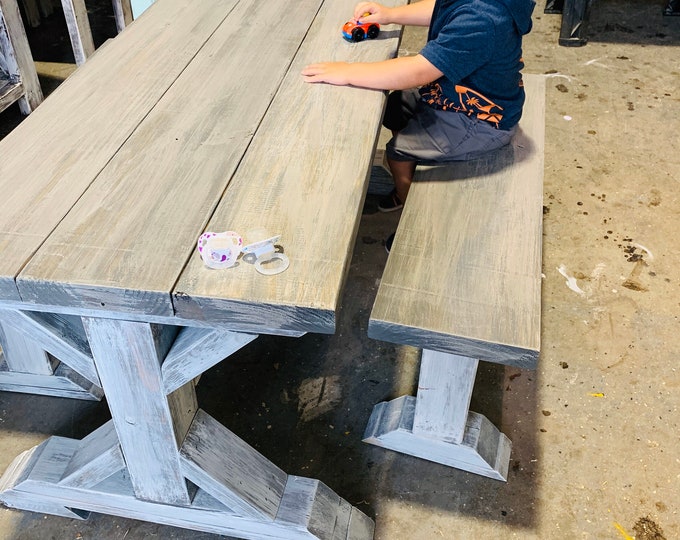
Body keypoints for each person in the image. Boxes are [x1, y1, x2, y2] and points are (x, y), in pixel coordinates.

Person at [302, 0, 535, 250]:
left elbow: (418, 71)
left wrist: (348, 72)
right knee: (396, 107)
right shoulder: (480, 6)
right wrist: (391, 14)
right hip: (454, 96)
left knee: (398, 151)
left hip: (481, 122)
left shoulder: (482, 20)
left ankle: (412, 223)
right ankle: (408, 178)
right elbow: (440, 7)